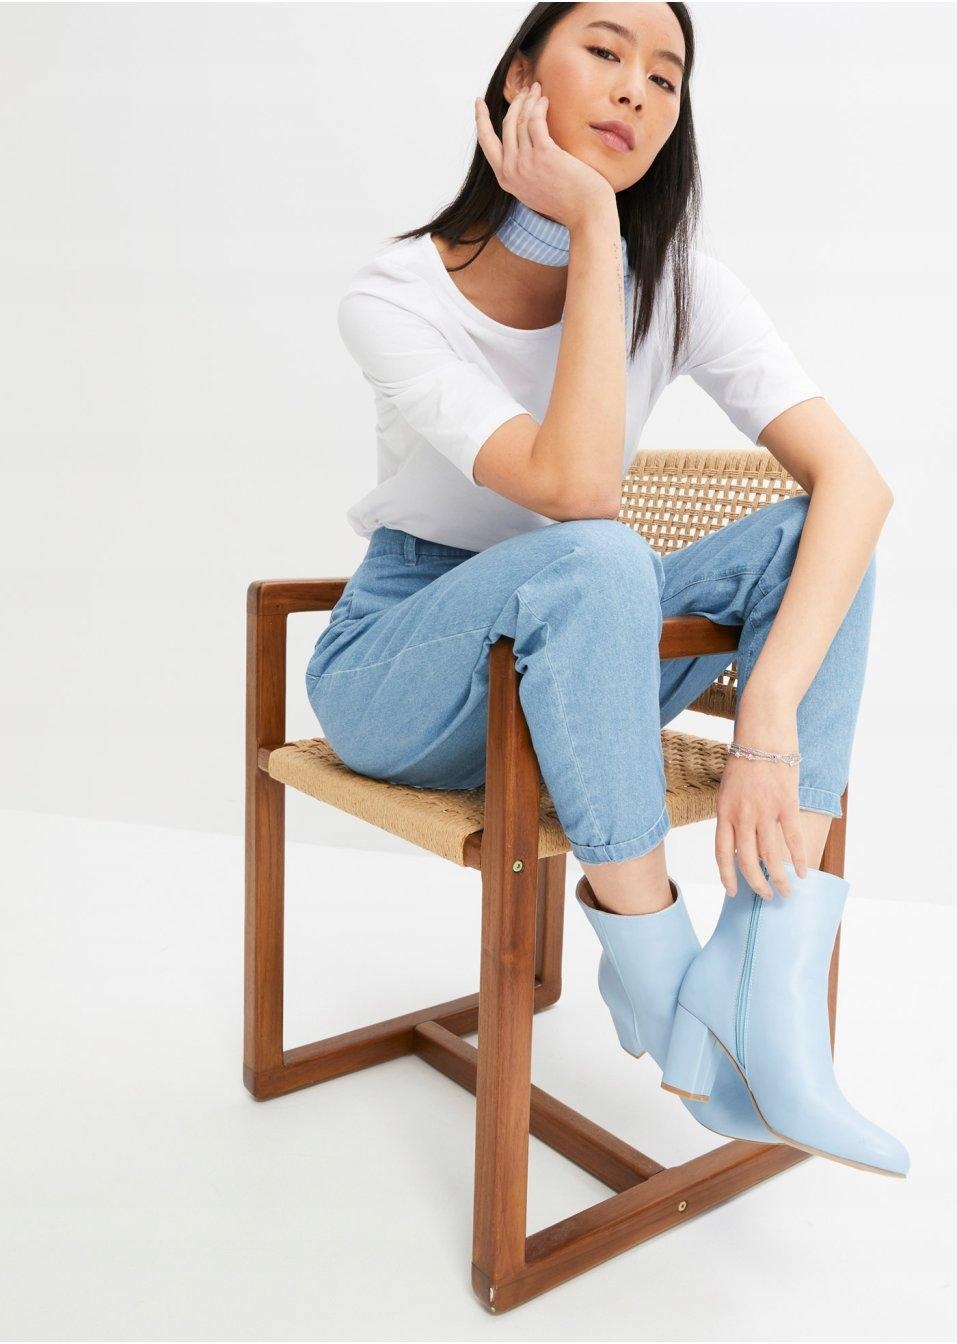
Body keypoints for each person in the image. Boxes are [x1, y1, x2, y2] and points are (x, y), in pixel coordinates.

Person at [306, 3, 908, 1176]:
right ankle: (666, 977)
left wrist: (767, 715)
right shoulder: (395, 293)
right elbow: (574, 490)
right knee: (601, 550)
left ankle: (768, 983)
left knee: (815, 541)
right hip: (409, 670)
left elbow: (859, 486)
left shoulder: (681, 285)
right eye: (605, 50)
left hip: (583, 657)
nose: (639, 88)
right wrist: (589, 224)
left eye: (667, 76)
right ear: (519, 78)